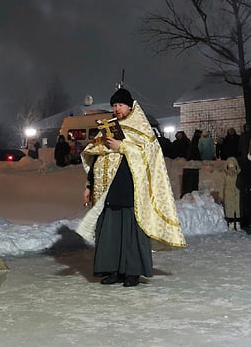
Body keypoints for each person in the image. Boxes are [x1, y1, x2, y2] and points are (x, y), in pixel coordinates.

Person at [77, 87, 186, 287]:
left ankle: (132, 272)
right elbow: (96, 159)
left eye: (120, 105)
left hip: (132, 189)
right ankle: (113, 270)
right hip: (109, 190)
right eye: (114, 106)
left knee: (132, 232)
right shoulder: (109, 128)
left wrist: (123, 147)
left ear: (130, 106)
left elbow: (149, 155)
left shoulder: (142, 128)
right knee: (110, 231)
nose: (117, 109)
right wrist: (89, 185)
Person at [221, 156, 242, 231]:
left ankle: (238, 223)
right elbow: (222, 185)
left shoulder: (238, 175)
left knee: (238, 209)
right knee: (229, 209)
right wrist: (221, 195)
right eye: (230, 167)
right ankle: (231, 223)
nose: (231, 168)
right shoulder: (225, 176)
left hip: (237, 194)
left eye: (233, 166)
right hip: (228, 195)